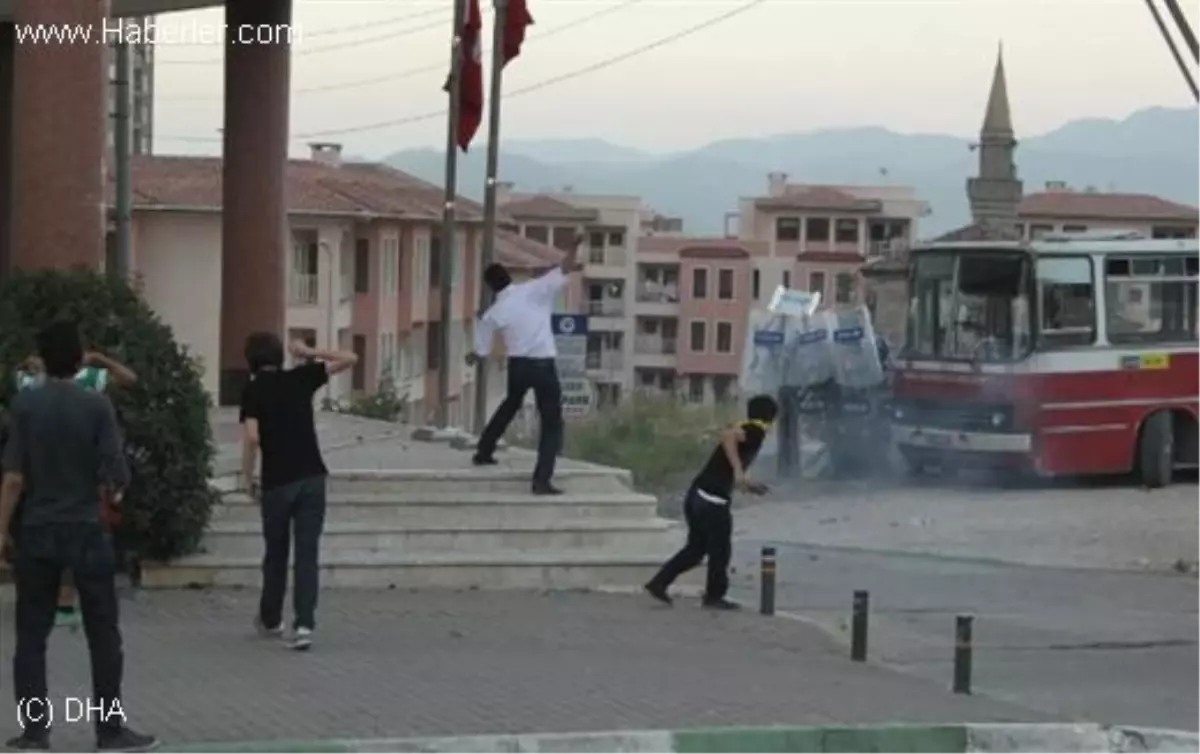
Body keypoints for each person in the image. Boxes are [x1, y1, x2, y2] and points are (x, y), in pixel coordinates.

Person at [0, 321, 158, 751]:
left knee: (31, 635)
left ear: (43, 360)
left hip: (38, 528)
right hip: (87, 529)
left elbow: (13, 477)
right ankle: (108, 730)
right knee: (103, 633)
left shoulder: (25, 406)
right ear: (78, 358)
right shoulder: (96, 405)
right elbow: (116, 472)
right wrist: (113, 492)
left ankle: (35, 731)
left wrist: (1, 533)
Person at [239, 335, 357, 652]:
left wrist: (247, 477)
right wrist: (309, 353)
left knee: (276, 552)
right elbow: (350, 358)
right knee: (307, 553)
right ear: (281, 357)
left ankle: (271, 619)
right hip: (312, 476)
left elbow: (252, 438)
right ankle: (304, 625)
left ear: (250, 362)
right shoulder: (301, 377)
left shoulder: (252, 391)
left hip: (278, 481)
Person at [12, 351, 137, 631]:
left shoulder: (40, 385)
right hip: (60, 473)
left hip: (63, 474)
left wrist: (99, 360)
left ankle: (61, 602)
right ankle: (64, 603)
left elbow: (129, 379)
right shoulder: (35, 381)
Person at [466, 241, 584, 495]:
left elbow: (481, 345)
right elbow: (563, 267)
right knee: (552, 422)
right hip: (543, 365)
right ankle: (541, 480)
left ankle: (484, 450)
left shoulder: (495, 311)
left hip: (518, 365)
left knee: (510, 404)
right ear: (508, 277)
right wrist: (574, 245)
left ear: (490, 286)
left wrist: (475, 355)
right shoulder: (533, 290)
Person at [644, 394, 779, 610]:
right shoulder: (756, 431)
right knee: (721, 550)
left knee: (696, 549)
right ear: (771, 417)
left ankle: (659, 582)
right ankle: (714, 597)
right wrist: (738, 472)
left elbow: (725, 465)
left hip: (697, 494)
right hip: (712, 501)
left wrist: (748, 484)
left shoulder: (749, 428)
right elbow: (728, 437)